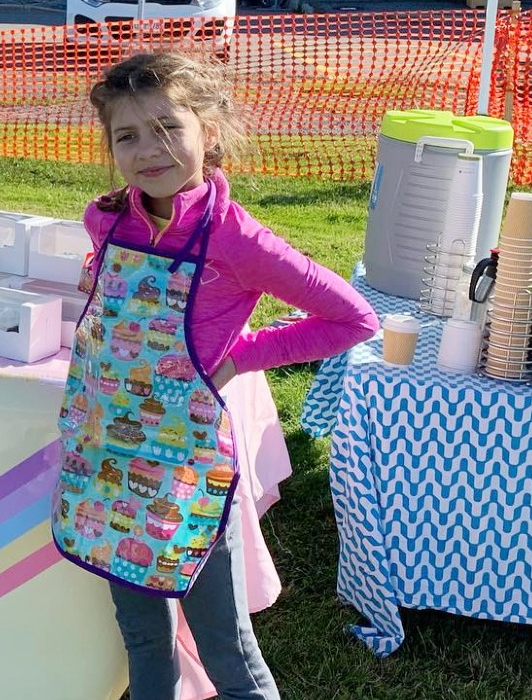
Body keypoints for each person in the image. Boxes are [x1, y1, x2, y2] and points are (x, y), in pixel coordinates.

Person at [51, 53, 377, 700]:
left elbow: (353, 318)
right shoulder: (106, 218)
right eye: (128, 135)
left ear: (211, 131)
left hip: (186, 473)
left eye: (169, 127)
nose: (150, 149)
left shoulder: (237, 240)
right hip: (108, 457)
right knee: (144, 642)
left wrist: (237, 357)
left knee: (229, 657)